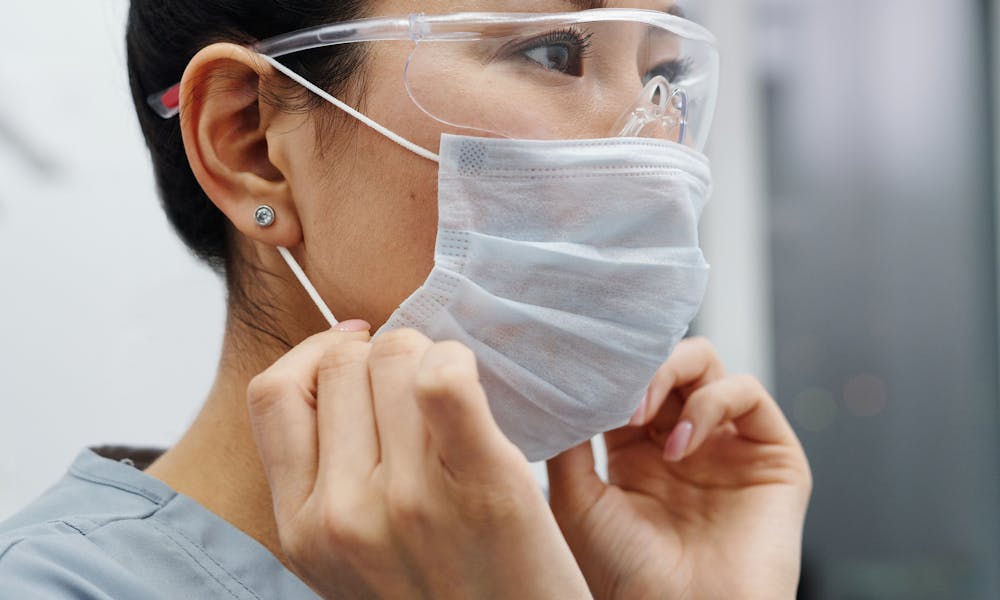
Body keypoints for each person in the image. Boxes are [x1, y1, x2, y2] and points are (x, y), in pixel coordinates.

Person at [0, 1, 812, 598]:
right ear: (251, 140)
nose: (651, 143)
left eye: (663, 74)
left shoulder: (570, 559)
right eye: (552, 52)